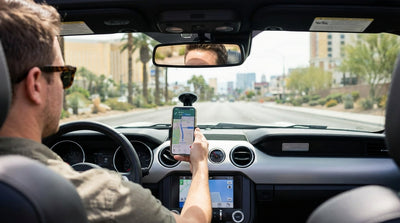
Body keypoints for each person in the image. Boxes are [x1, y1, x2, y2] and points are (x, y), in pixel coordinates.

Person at [0, 0, 211, 223]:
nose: (64, 86)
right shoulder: (107, 199)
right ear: (35, 84)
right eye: (63, 74)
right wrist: (200, 165)